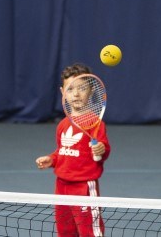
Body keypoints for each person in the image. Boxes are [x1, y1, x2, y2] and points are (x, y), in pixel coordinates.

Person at [36, 63, 110, 237]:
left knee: (89, 232)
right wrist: (51, 159)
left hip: (83, 187)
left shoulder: (96, 123)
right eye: (70, 89)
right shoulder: (62, 124)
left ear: (91, 91)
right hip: (61, 186)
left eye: (82, 88)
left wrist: (100, 149)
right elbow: (62, 150)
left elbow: (104, 149)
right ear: (63, 92)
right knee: (65, 232)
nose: (76, 94)